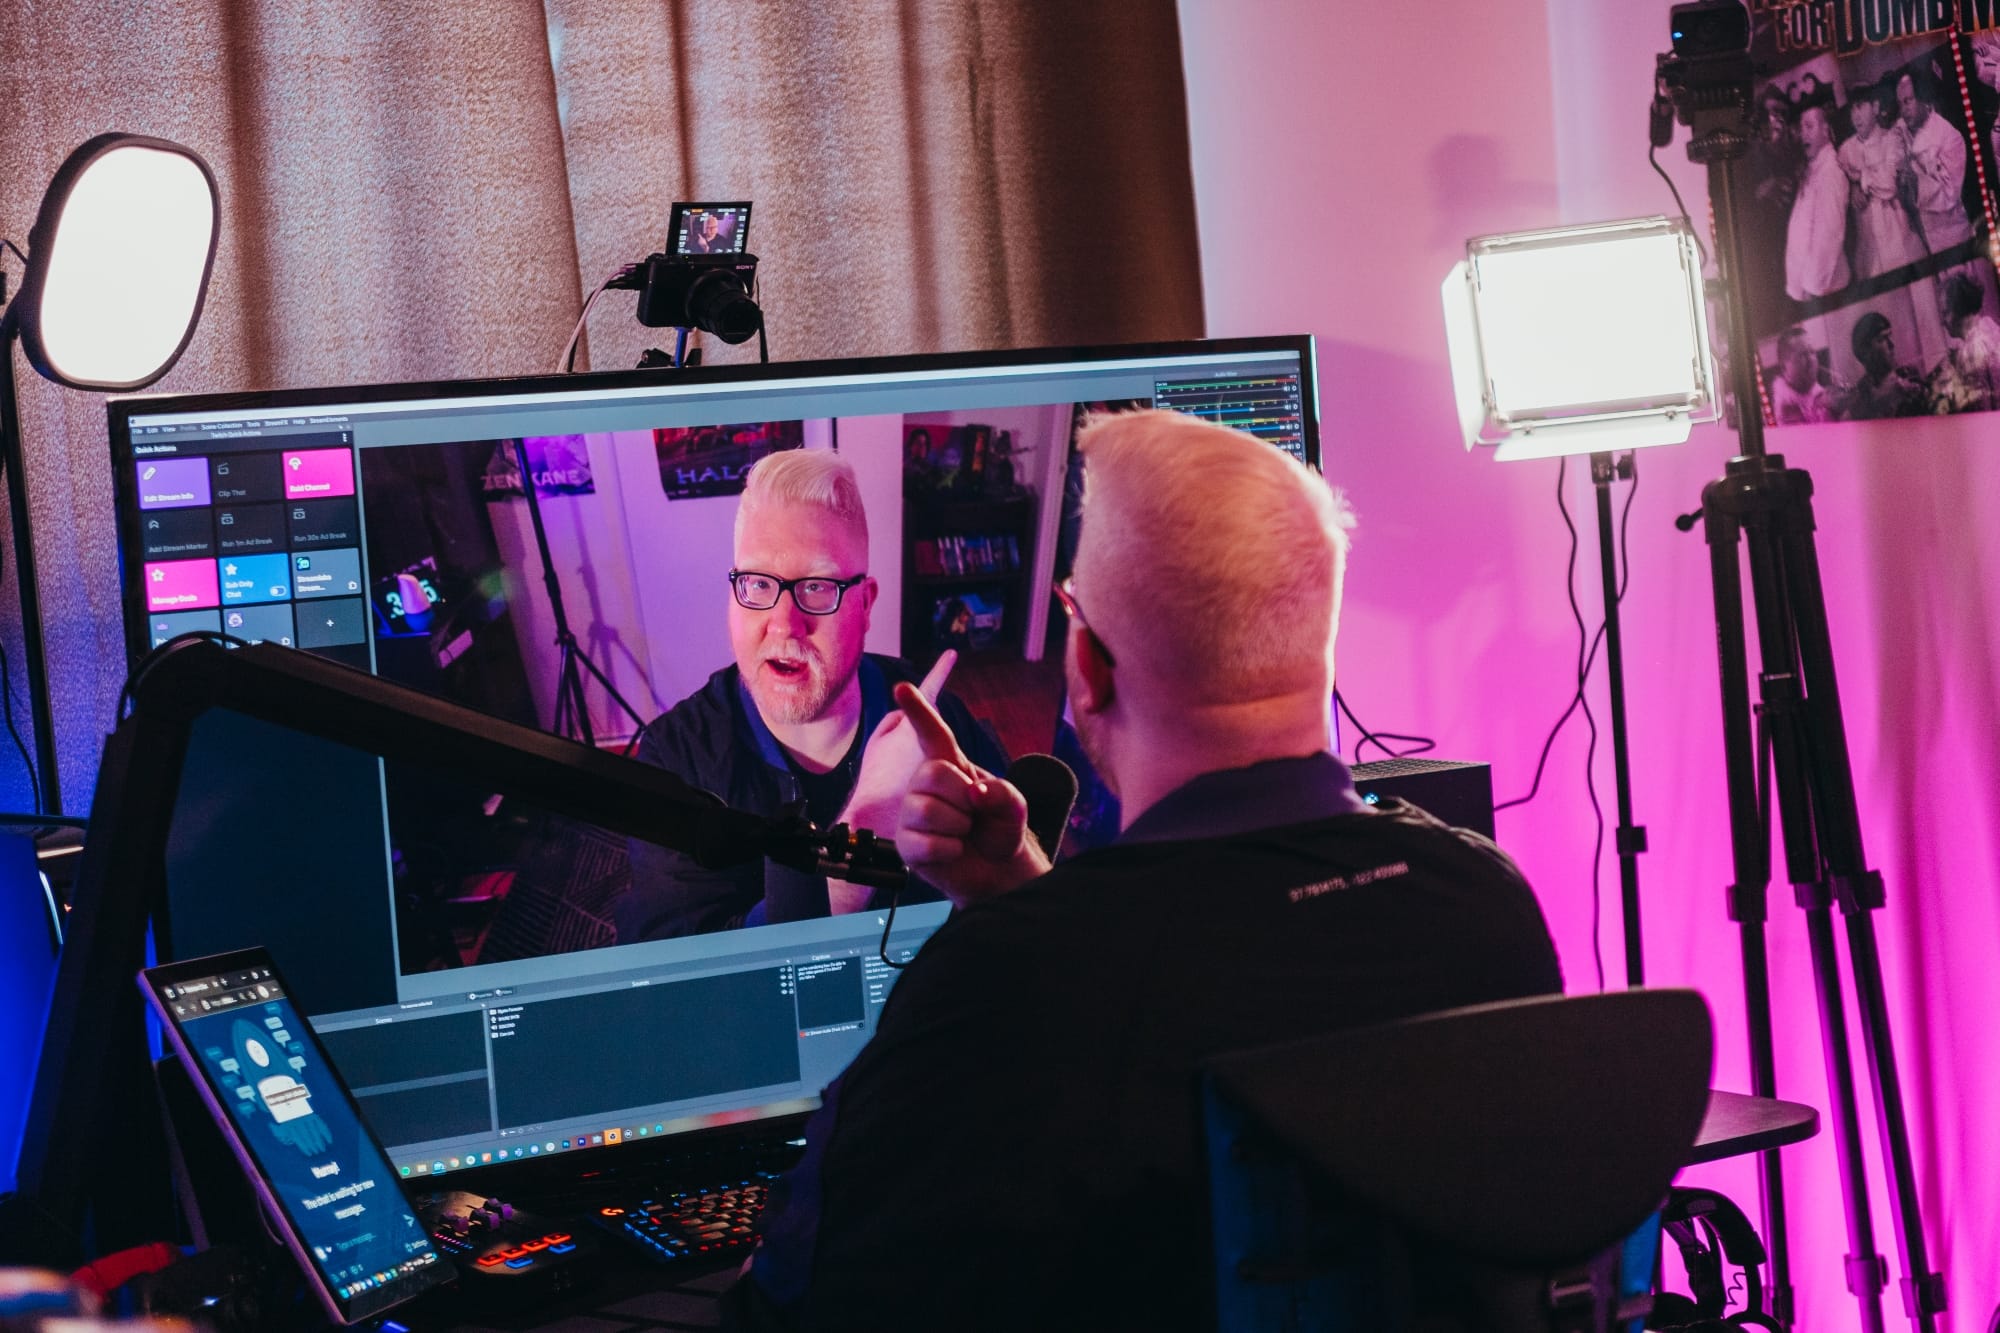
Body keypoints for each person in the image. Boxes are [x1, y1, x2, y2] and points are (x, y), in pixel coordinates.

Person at [727, 411, 1562, 1330]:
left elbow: (795, 1302)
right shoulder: (1487, 898)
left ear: (1083, 662)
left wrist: (1021, 930)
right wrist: (1031, 893)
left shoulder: (994, 988)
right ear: (1312, 634)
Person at [617, 449, 1005, 942]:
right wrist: (868, 823)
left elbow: (1013, 901)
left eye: (818, 587)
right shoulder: (675, 760)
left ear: (864, 606)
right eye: (758, 583)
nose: (783, 623)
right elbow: (683, 982)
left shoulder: (938, 727)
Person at [1838, 84, 1923, 280]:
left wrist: (1860, 177)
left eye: (1860, 106)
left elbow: (1889, 184)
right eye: (1852, 109)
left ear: (1875, 107)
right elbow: (1838, 191)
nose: (1855, 115)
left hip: (1900, 242)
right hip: (1870, 253)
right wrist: (1851, 189)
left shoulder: (1892, 138)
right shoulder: (1845, 150)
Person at [1897, 71, 1973, 255]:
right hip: (1924, 241)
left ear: (1923, 98)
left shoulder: (1949, 136)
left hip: (1953, 239)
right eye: (1900, 103)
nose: (1903, 109)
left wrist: (1916, 180)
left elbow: (1950, 194)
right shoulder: (1901, 130)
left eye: (1908, 101)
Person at [1785, 102, 1851, 302]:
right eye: (1801, 127)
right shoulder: (1812, 169)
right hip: (1807, 289)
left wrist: (1812, 286)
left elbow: (1829, 234)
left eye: (1810, 126)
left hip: (1824, 290)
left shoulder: (1831, 172)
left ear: (1825, 130)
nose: (1803, 134)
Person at [1928, 272, 2000, 413]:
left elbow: (1979, 409)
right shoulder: (1990, 329)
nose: (1943, 321)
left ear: (1959, 308)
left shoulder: (1970, 352)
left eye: (1945, 312)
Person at [1838, 311, 1928, 419]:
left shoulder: (1910, 375)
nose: (1892, 344)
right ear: (1865, 351)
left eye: (1890, 336)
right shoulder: (1859, 397)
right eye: (1882, 339)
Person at [1768, 325, 1836, 424]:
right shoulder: (1787, 408)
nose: (1811, 359)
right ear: (1784, 366)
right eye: (1802, 355)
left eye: (1812, 352)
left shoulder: (1817, 392)